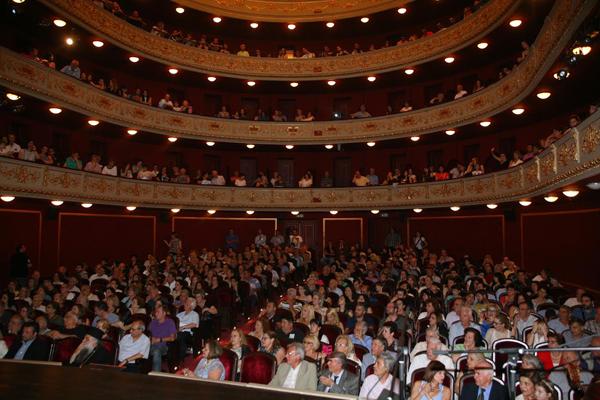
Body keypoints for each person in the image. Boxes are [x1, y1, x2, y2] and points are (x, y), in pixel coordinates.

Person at [149, 306, 177, 372]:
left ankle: (156, 374)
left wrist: (159, 340)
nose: (156, 314)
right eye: (156, 312)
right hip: (151, 344)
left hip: (163, 346)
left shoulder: (170, 322)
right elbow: (148, 334)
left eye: (158, 312)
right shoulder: (153, 322)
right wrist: (150, 339)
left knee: (156, 351)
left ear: (164, 313)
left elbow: (173, 338)